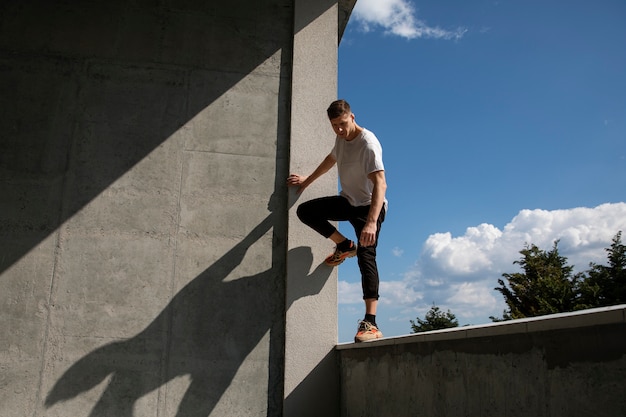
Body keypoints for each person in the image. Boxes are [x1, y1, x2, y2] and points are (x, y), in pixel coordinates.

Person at [287, 99, 387, 343]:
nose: (340, 130)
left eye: (343, 124)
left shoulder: (368, 144)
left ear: (352, 117)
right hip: (348, 202)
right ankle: (344, 246)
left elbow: (380, 184)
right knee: (306, 211)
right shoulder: (340, 140)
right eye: (334, 126)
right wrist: (306, 181)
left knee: (366, 256)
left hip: (369, 209)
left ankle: (370, 323)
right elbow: (330, 160)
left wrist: (371, 223)